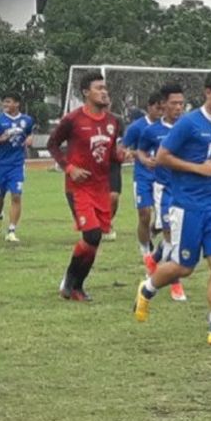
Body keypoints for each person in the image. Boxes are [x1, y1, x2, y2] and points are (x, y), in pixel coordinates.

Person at [132, 69, 211, 347]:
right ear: (208, 92)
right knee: (183, 267)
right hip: (187, 205)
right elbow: (162, 157)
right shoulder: (189, 124)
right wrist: (197, 168)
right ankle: (147, 288)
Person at [47, 72, 125, 302]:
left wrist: (121, 156)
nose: (104, 92)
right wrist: (69, 167)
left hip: (101, 187)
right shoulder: (73, 119)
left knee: (95, 240)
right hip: (78, 187)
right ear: (86, 93)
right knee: (90, 234)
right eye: (99, 88)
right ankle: (70, 282)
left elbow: (110, 154)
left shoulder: (113, 121)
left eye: (105, 88)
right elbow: (52, 144)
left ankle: (75, 287)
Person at [137, 83, 187, 302]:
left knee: (179, 236)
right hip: (164, 189)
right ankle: (175, 282)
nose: (178, 107)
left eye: (181, 104)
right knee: (170, 234)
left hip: (186, 189)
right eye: (174, 103)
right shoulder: (152, 130)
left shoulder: (189, 127)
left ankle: (156, 258)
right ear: (163, 104)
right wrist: (146, 159)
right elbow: (140, 149)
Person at [0, 92, 34, 242]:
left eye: (8, 102)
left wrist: (29, 139)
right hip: (0, 164)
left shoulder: (27, 120)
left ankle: (11, 230)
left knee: (16, 195)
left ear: (17, 104)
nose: (5, 105)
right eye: (4, 102)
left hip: (17, 164)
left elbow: (29, 133)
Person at [122, 92, 162, 262]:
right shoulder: (137, 127)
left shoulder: (171, 127)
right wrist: (137, 155)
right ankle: (145, 251)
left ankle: (151, 234)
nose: (161, 112)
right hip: (143, 177)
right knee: (144, 214)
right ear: (149, 108)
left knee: (162, 221)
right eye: (157, 108)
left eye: (163, 108)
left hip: (164, 178)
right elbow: (123, 148)